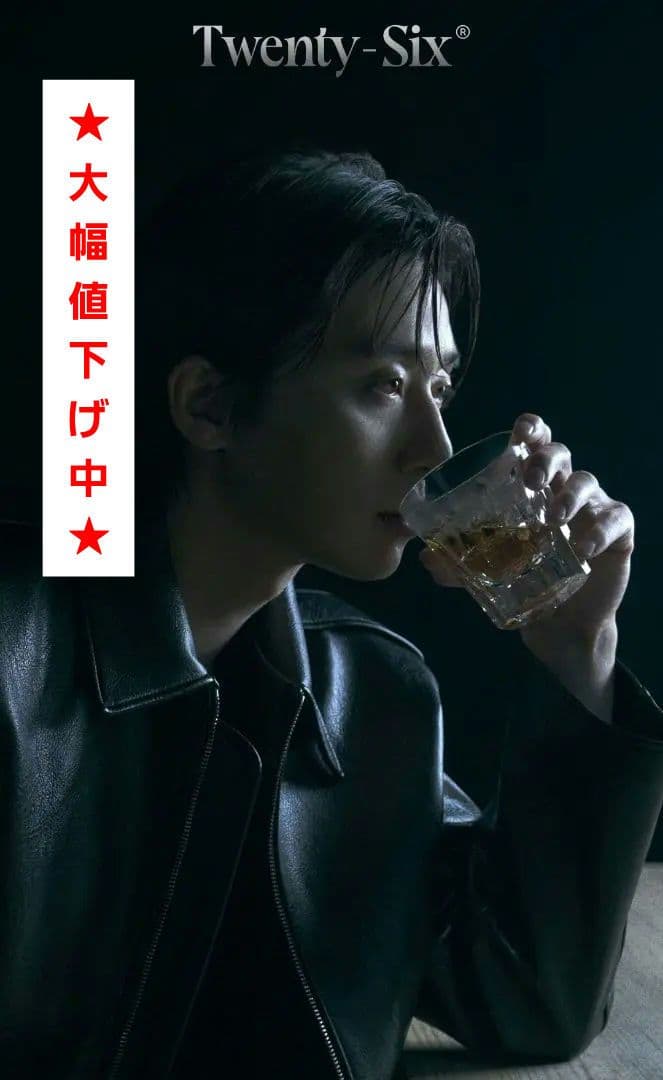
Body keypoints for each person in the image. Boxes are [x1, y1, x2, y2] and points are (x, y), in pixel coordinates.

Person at [1, 147, 662, 1080]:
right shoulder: (16, 648)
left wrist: (576, 652)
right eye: (383, 385)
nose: (432, 445)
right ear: (208, 406)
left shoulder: (371, 695)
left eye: (440, 388)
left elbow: (526, 1000)